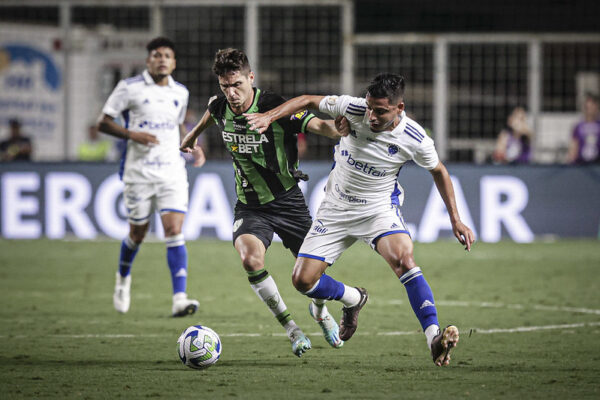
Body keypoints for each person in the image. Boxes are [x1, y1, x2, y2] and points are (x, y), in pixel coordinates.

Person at [245, 73, 476, 366]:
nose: (371, 116)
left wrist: (456, 219)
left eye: (380, 111)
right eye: (369, 107)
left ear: (399, 108)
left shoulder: (415, 138)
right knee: (302, 281)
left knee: (404, 260)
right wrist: (267, 116)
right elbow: (306, 101)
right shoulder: (352, 108)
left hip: (377, 210)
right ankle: (353, 298)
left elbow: (440, 171)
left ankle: (433, 337)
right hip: (335, 209)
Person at [180, 48, 345, 357]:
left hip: (289, 203)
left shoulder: (274, 107)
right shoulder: (219, 106)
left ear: (251, 78)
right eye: (225, 86)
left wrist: (340, 129)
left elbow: (318, 126)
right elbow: (208, 117)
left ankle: (321, 311)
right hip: (250, 206)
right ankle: (292, 329)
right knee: (250, 260)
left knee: (313, 275)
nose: (231, 93)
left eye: (237, 85)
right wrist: (190, 139)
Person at [97, 37, 205, 317]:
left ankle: (179, 298)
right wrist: (133, 134)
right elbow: (103, 122)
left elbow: (179, 125)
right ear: (148, 61)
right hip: (138, 173)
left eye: (167, 55)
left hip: (171, 171)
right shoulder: (129, 88)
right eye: (156, 55)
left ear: (174, 62)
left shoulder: (180, 92)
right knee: (138, 233)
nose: (162, 59)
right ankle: (123, 278)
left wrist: (193, 146)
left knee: (173, 230)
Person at [566, 93, 600, 164]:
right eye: (588, 108)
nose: (590, 110)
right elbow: (573, 148)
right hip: (581, 165)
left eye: (592, 107)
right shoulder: (578, 127)